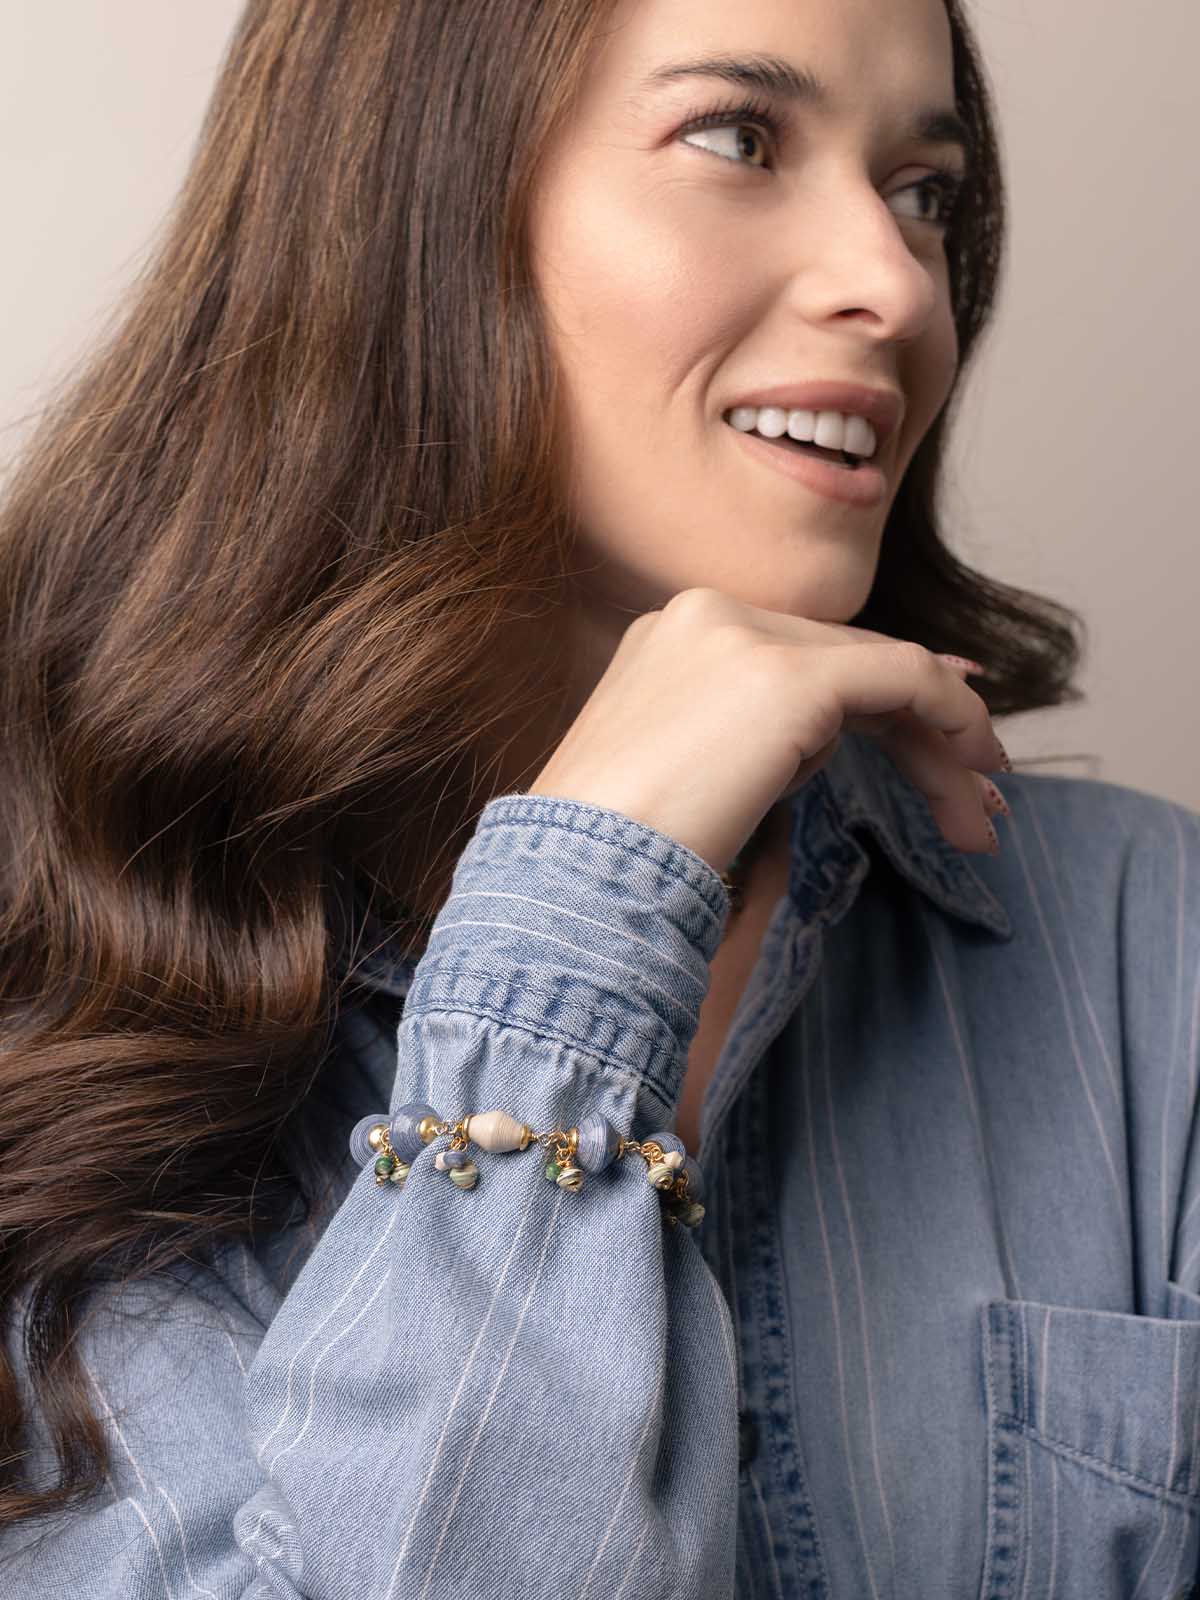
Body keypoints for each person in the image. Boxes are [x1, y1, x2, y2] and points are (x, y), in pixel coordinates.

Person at [0, 0, 1196, 1594]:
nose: (900, 283)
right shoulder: (52, 986)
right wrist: (588, 898)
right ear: (409, 199)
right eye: (739, 138)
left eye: (922, 190)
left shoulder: (1147, 942)